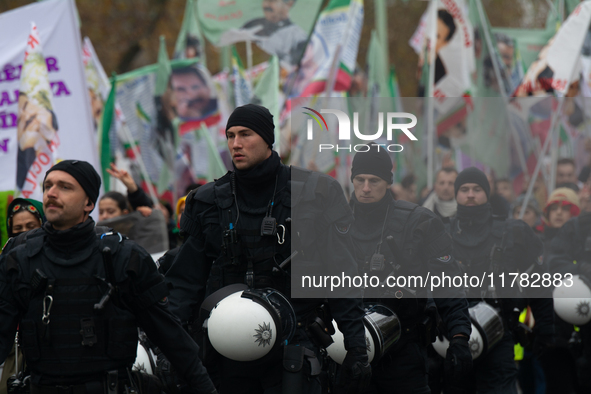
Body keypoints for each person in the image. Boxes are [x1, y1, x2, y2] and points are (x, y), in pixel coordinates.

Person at [165, 104, 370, 393]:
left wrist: (356, 347)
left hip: (295, 344)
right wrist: (168, 348)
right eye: (230, 135)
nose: (236, 144)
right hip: (227, 348)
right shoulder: (208, 201)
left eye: (245, 134)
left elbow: (341, 275)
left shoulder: (316, 193)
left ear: (267, 140)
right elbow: (186, 283)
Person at [0, 160, 216, 394]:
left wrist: (205, 388)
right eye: (48, 185)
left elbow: (171, 338)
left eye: (65, 187)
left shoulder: (124, 258)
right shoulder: (19, 261)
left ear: (89, 202)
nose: (51, 193)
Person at [348, 145, 472, 393]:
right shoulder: (336, 222)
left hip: (403, 350)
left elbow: (447, 283)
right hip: (348, 349)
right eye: (359, 180)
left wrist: (459, 337)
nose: (365, 188)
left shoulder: (420, 222)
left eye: (374, 180)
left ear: (388, 181)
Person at [448, 167, 554, 394]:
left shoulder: (512, 232)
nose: (470, 195)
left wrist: (545, 328)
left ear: (487, 193)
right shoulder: (441, 234)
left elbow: (538, 280)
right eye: (464, 189)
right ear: (456, 194)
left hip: (499, 336)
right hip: (452, 340)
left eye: (477, 189)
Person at [232, 0, 308, 66]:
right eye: (264, 0)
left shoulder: (298, 38)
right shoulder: (250, 26)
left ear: (289, 3)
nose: (266, 5)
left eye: (272, 0)